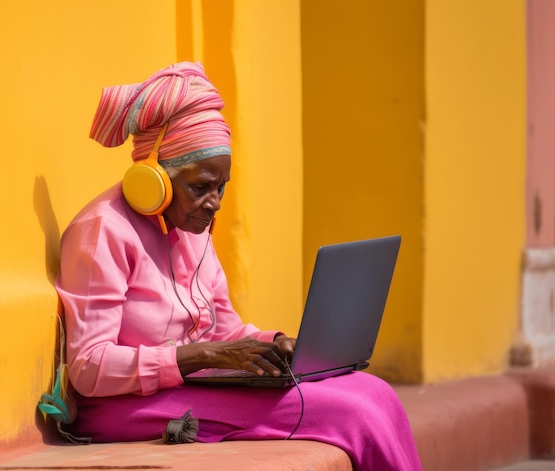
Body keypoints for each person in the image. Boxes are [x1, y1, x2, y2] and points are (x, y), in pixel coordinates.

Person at [55, 61, 422, 471]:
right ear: (153, 177)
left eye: (221, 187)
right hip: (121, 407)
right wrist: (203, 354)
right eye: (200, 187)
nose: (214, 202)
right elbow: (88, 367)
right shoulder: (103, 230)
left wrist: (276, 343)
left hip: (186, 388)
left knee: (374, 392)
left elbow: (226, 333)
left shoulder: (192, 228)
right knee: (356, 415)